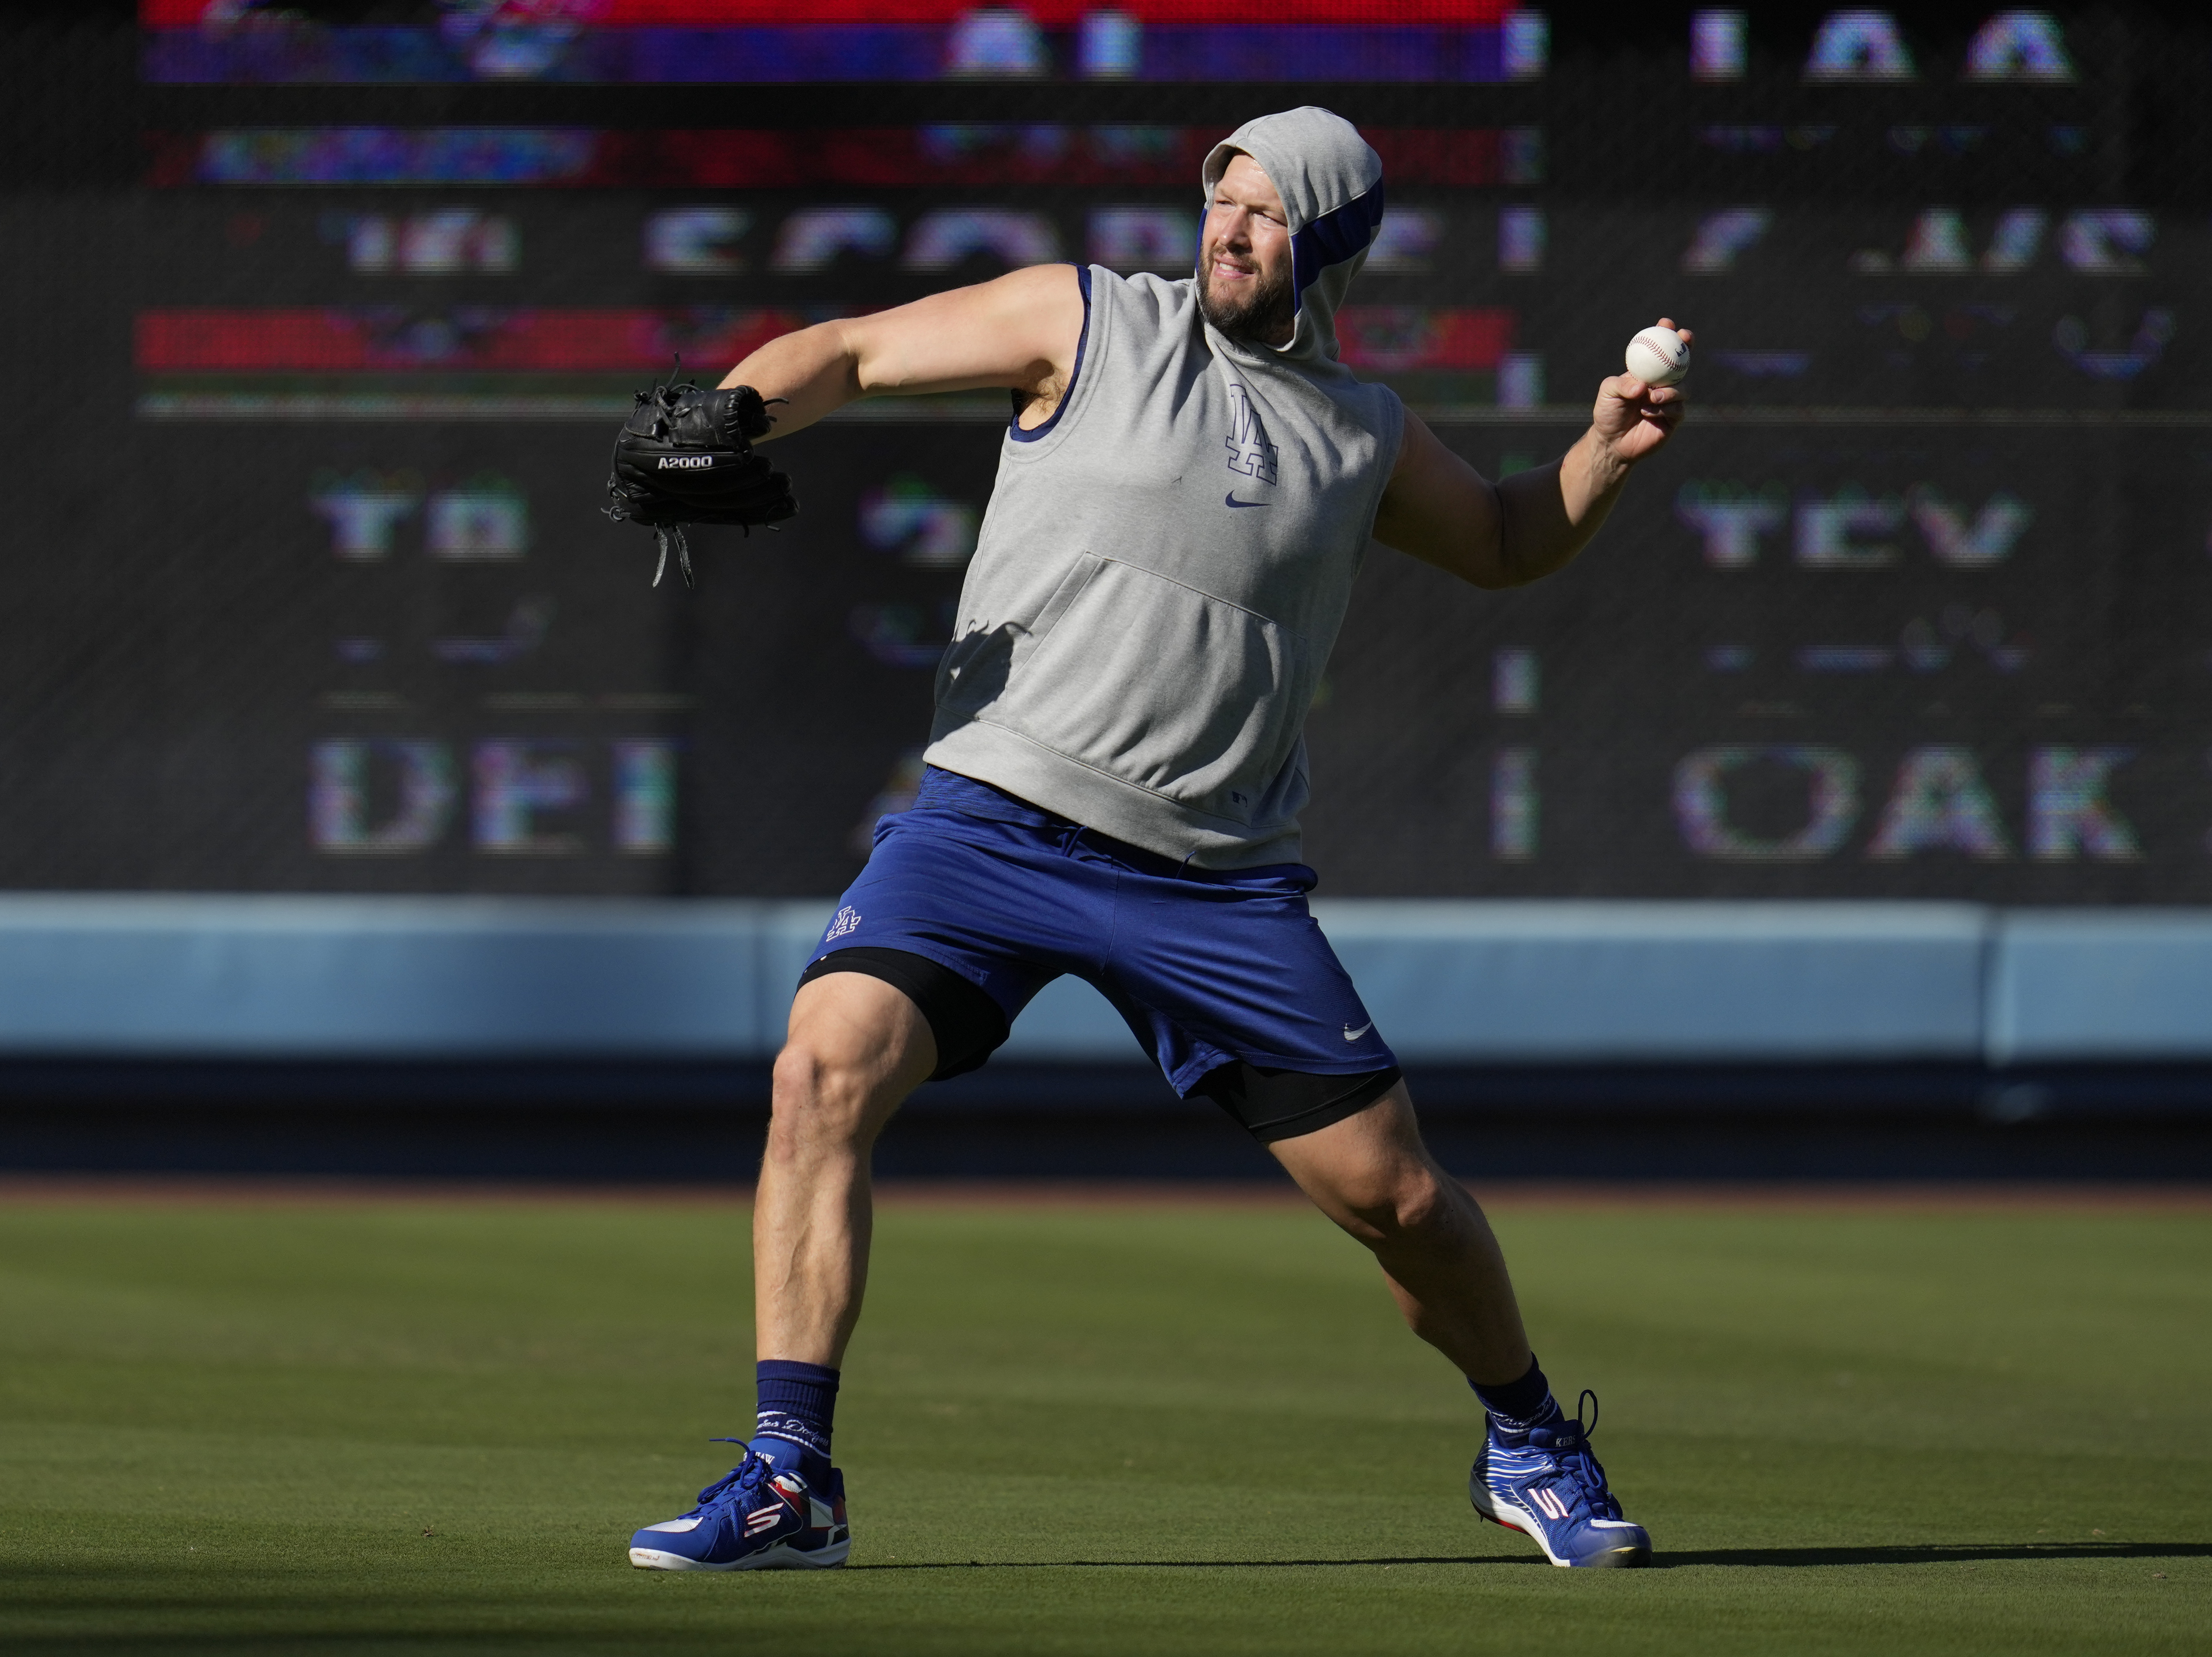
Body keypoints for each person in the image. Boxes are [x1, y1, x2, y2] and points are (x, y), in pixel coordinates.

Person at [622, 106, 1686, 1573]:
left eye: (1264, 214)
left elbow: (1504, 543)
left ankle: (1525, 1439)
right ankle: (791, 1474)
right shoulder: (1092, 320)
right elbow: (856, 350)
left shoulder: (1360, 429)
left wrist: (1604, 454)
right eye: (1220, 203)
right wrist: (739, 411)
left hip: (1211, 878)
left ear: (1326, 243)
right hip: (988, 825)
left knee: (1400, 1200)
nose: (1227, 230)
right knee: (820, 1072)